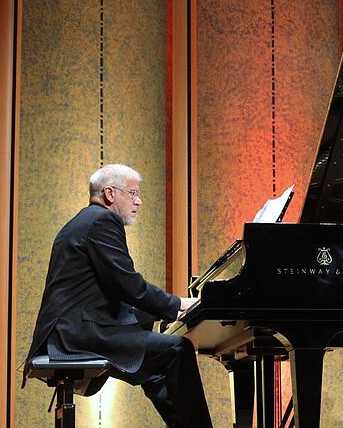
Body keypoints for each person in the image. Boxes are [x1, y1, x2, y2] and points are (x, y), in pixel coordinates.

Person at [24, 163, 212, 427]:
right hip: (76, 333)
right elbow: (128, 284)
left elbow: (115, 288)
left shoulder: (81, 221)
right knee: (178, 349)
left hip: (70, 328)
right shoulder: (103, 220)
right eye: (133, 193)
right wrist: (178, 305)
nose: (139, 201)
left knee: (154, 367)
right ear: (110, 194)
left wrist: (159, 311)